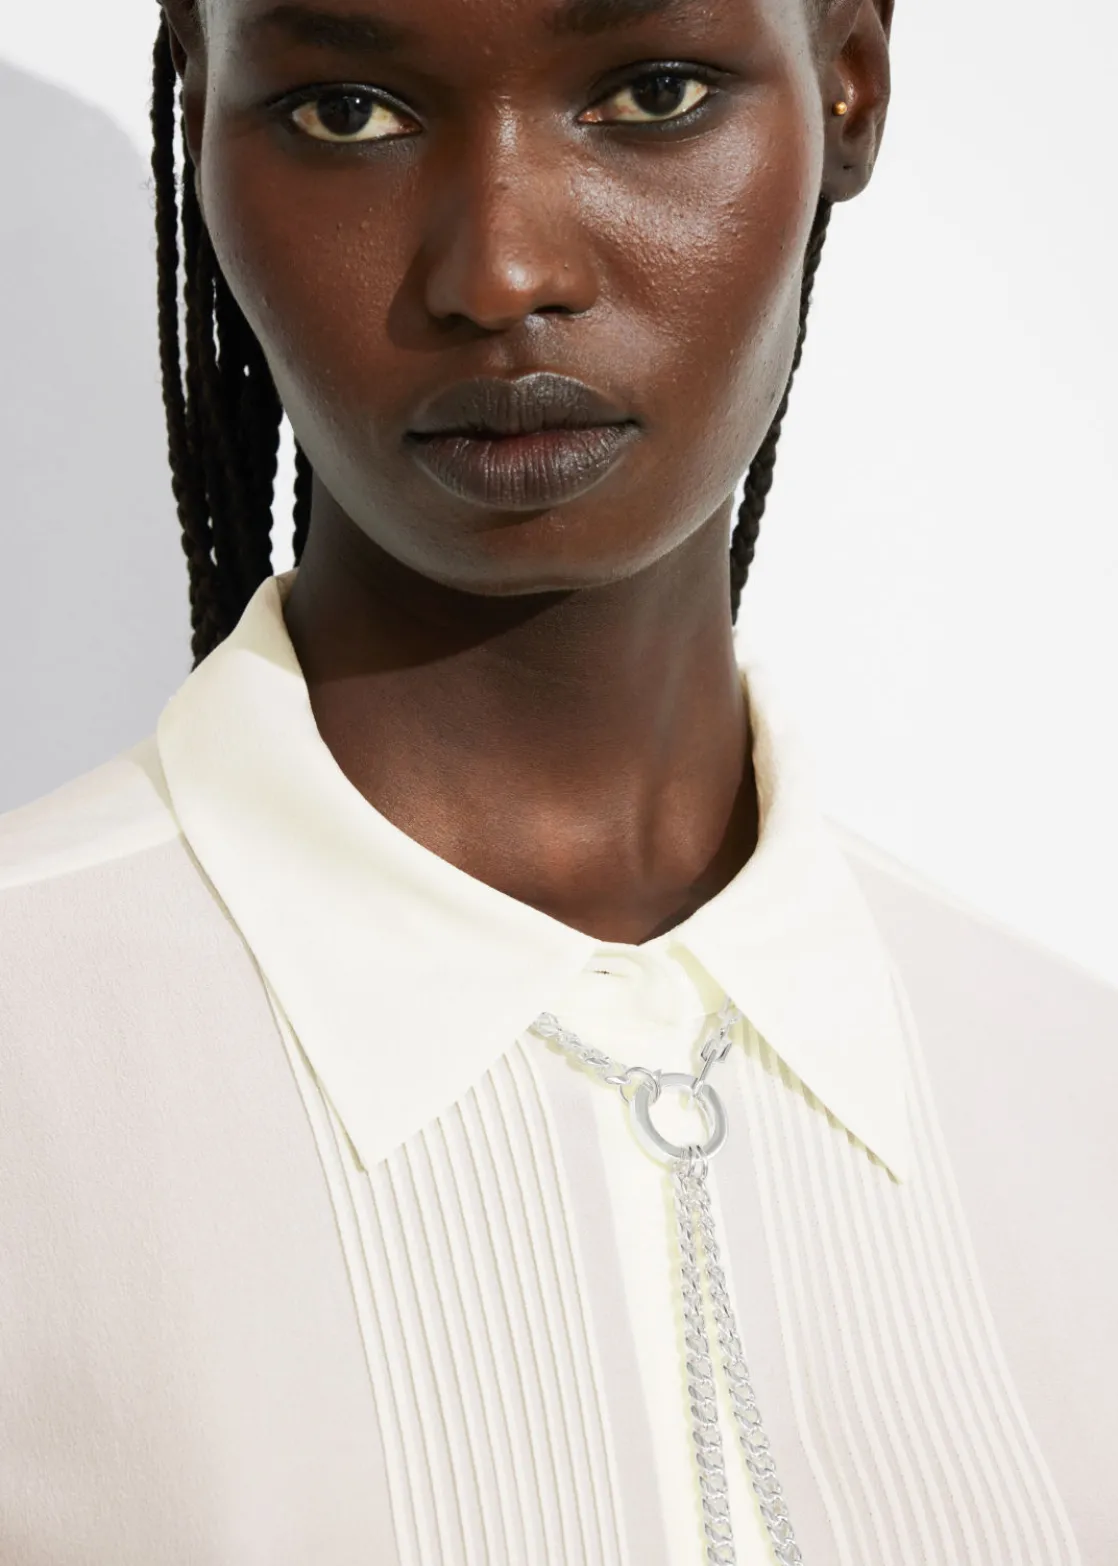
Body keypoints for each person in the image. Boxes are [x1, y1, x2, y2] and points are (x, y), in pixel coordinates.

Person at [0, 0, 1113, 1560]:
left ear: (847, 83)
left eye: (650, 93)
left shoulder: (1075, 1111)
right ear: (199, 115)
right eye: (345, 111)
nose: (501, 272)